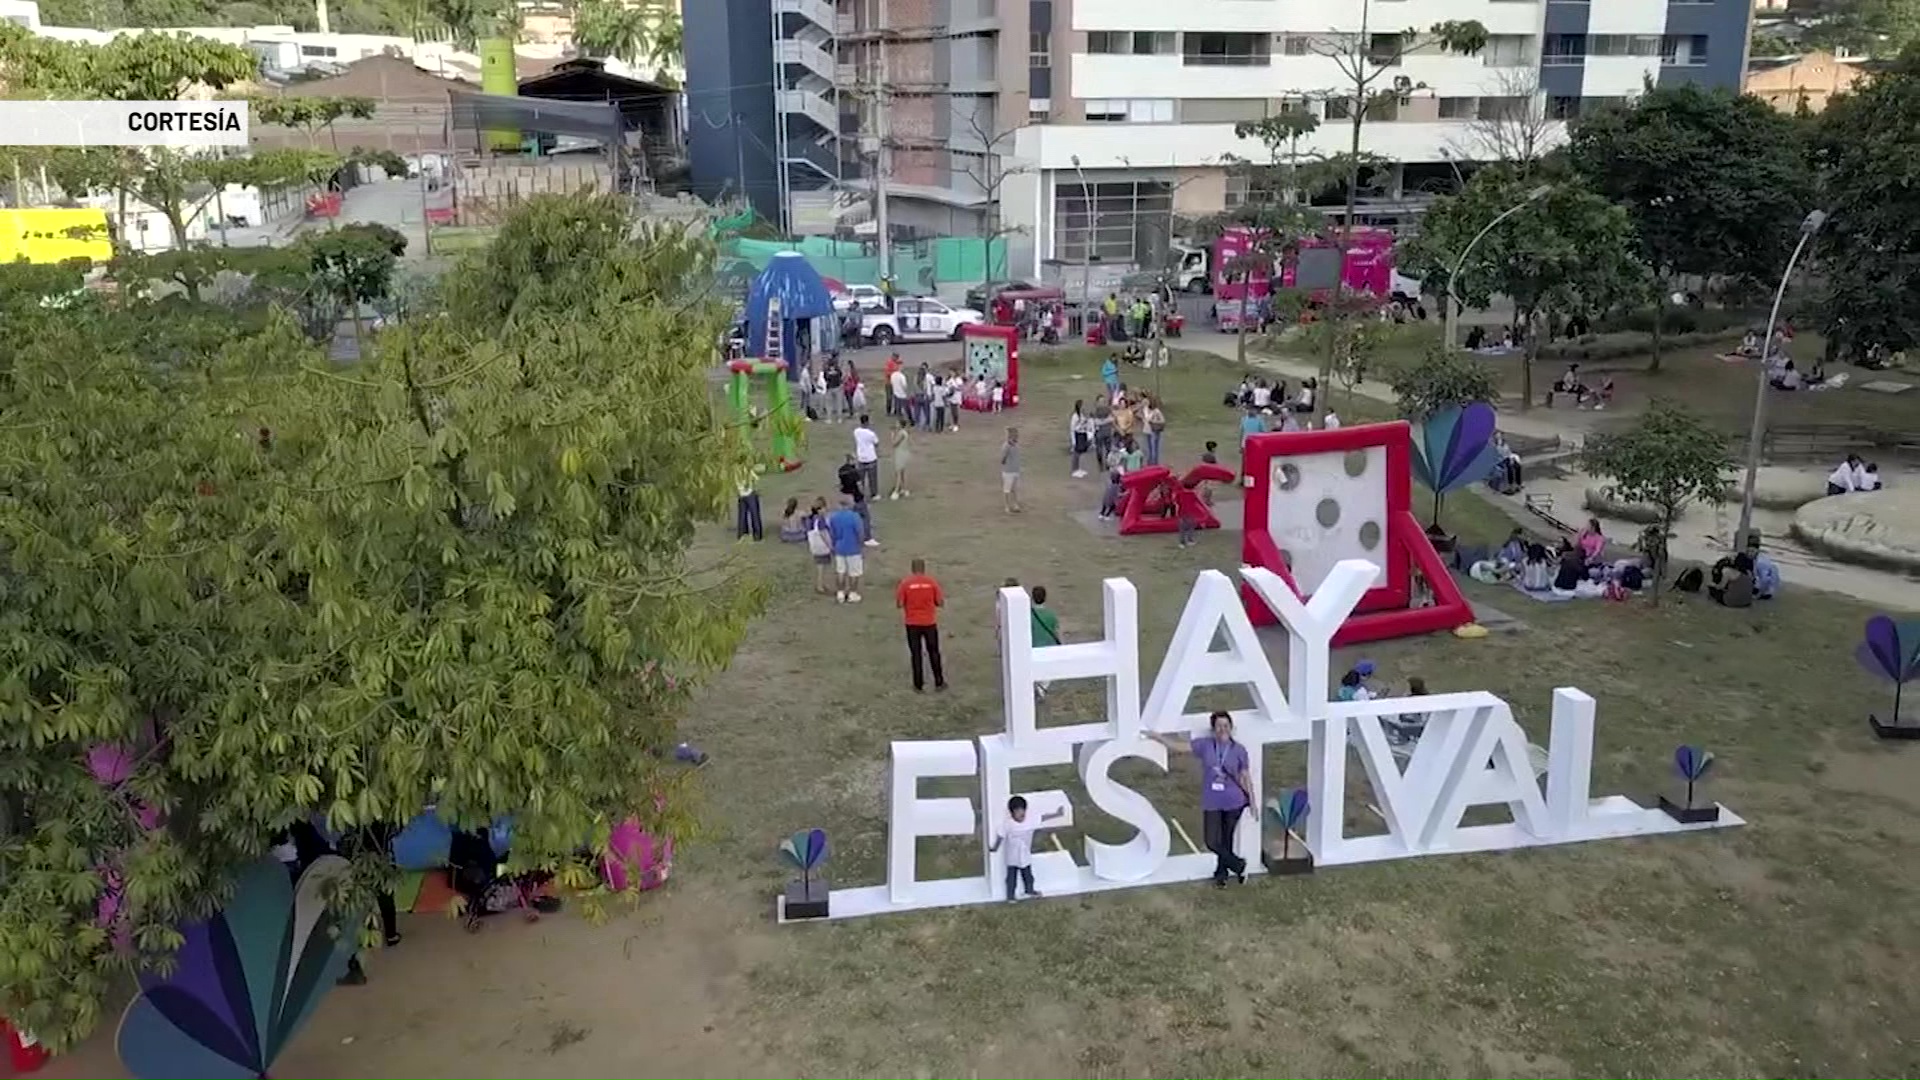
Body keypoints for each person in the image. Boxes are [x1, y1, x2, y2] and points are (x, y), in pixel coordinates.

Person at [1190, 711, 1251, 888]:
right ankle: (1238, 865)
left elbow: (1245, 777)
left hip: (1234, 802)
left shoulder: (1239, 750)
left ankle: (1221, 874)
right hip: (1212, 801)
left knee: (1226, 839)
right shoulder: (1206, 746)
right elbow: (1181, 747)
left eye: (1226, 726)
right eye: (1218, 726)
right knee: (1212, 841)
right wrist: (1159, 738)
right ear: (1213, 729)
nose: (1222, 729)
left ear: (1231, 727)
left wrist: (1253, 802)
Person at [989, 795, 1065, 903]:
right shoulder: (1008, 824)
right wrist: (995, 848)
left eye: (1023, 810)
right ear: (1012, 812)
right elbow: (1001, 836)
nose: (1021, 813)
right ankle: (1010, 896)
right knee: (1011, 877)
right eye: (1018, 811)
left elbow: (1043, 817)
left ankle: (1029, 890)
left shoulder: (1030, 821)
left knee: (1028, 875)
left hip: (1025, 855)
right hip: (1012, 857)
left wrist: (1057, 814)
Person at [896, 557, 947, 691]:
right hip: (929, 623)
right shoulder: (931, 582)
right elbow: (940, 602)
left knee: (916, 654)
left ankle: (918, 685)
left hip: (912, 623)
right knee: (934, 652)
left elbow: (899, 604)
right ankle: (939, 682)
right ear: (923, 569)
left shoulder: (905, 583)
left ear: (912, 569)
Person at [827, 493, 867, 603]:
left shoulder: (834, 517)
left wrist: (834, 545)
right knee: (854, 572)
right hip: (853, 548)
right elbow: (860, 532)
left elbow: (832, 533)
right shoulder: (855, 517)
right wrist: (861, 544)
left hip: (839, 548)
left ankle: (840, 592)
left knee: (841, 571)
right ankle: (852, 593)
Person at [1029, 584, 1060, 699]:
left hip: (1034, 645)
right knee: (1048, 670)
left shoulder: (1029, 614)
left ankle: (1037, 687)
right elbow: (1056, 631)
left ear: (1032, 598)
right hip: (1049, 645)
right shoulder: (1051, 614)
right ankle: (1042, 689)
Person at [803, 497, 833, 593]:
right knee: (822, 566)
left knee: (819, 565)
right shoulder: (820, 520)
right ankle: (820, 585)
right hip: (822, 546)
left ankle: (820, 584)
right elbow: (823, 533)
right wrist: (830, 545)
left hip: (813, 545)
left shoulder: (810, 519)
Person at [853, 414, 881, 498]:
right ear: (867, 422)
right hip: (871, 457)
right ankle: (874, 494)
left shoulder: (856, 431)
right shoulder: (871, 434)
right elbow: (876, 443)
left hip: (861, 457)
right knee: (872, 478)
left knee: (860, 479)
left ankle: (860, 494)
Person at [888, 415, 913, 500]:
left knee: (898, 473)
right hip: (903, 453)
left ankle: (896, 491)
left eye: (897, 423)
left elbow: (894, 444)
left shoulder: (901, 433)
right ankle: (904, 489)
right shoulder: (904, 432)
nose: (896, 425)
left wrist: (892, 436)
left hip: (900, 454)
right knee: (902, 473)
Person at [735, 471, 763, 541]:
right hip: (750, 494)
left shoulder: (735, 471)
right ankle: (757, 535)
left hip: (742, 494)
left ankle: (742, 534)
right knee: (754, 515)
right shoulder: (747, 470)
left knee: (742, 516)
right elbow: (756, 479)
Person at [1000, 426, 1022, 513]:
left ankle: (1015, 504)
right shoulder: (1006, 446)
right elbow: (1003, 459)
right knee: (1007, 489)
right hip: (1008, 471)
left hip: (1015, 469)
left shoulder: (1016, 445)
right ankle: (1007, 505)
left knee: (1014, 489)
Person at [1070, 399, 1091, 478]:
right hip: (1077, 435)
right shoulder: (1075, 416)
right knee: (1076, 453)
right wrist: (1073, 441)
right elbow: (1072, 428)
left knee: (1081, 452)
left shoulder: (1083, 415)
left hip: (1083, 434)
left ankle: (1079, 468)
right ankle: (1074, 469)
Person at [1142, 396, 1166, 466]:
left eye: (1146, 402)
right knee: (1148, 449)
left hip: (1154, 431)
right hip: (1147, 430)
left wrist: (1154, 420)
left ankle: (1155, 463)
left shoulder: (1156, 411)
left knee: (1154, 449)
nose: (1145, 403)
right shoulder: (1145, 410)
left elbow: (1162, 420)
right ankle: (1149, 463)